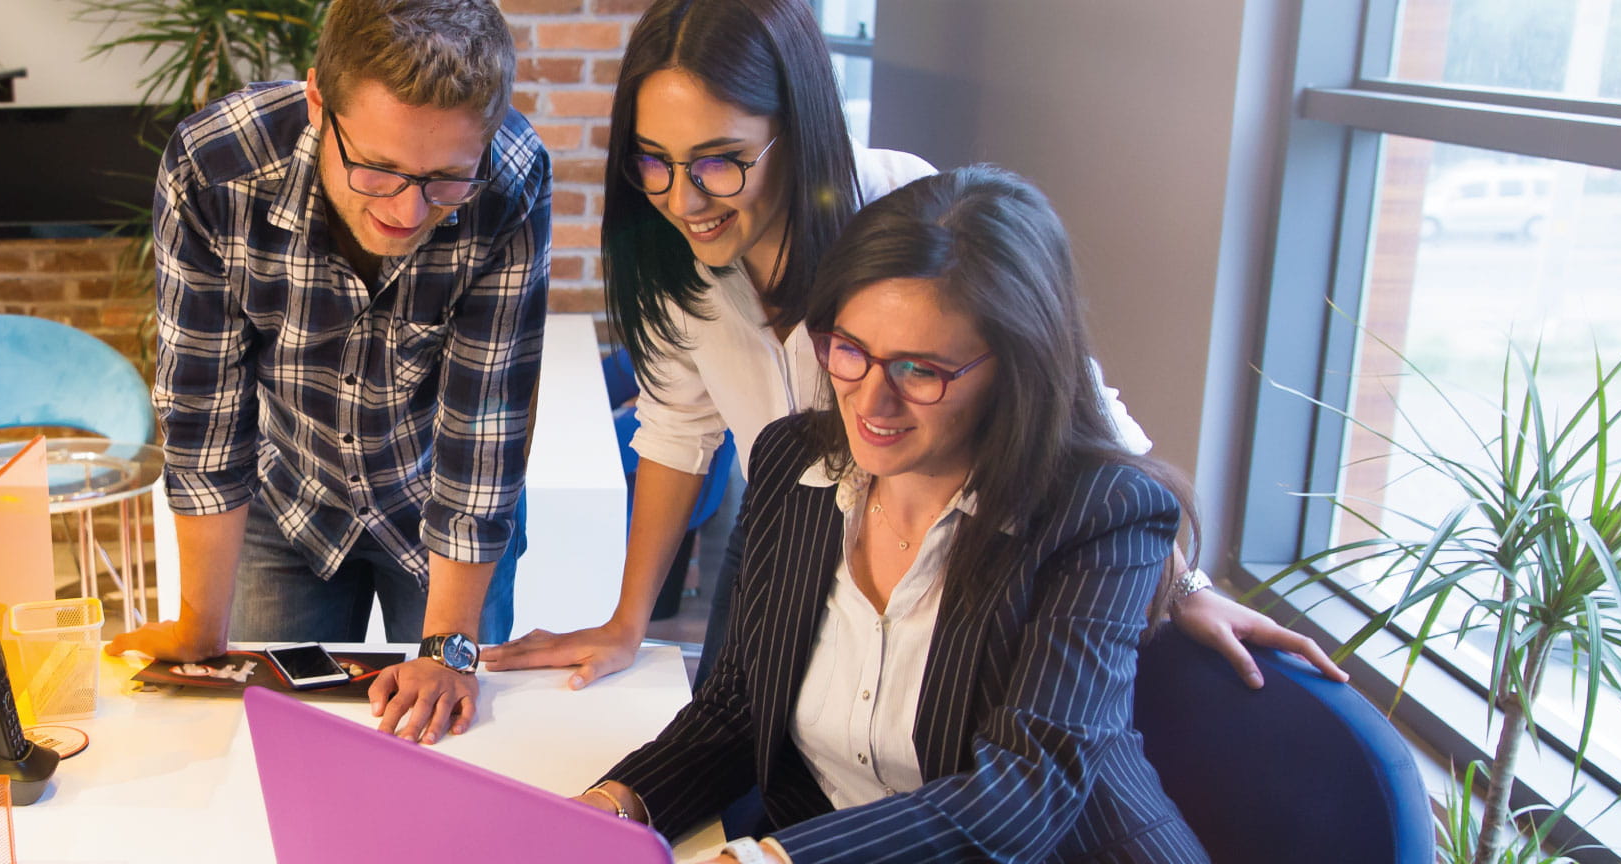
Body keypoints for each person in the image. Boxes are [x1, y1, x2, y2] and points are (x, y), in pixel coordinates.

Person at [480, 0, 1342, 690]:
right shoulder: (684, 267)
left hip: (946, 571)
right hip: (795, 550)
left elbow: (1073, 412)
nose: (683, 197)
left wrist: (1183, 583)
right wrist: (629, 622)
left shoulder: (915, 214)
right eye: (653, 161)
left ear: (799, 129)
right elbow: (677, 434)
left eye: (719, 161)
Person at [579, 165, 1270, 864]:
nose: (872, 400)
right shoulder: (797, 464)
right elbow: (736, 710)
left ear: (1015, 369)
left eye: (921, 371)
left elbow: (1023, 788)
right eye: (850, 350)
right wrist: (613, 809)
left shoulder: (1103, 516)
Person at [104, 0, 552, 745]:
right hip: (288, 505)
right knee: (270, 748)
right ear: (319, 102)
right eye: (377, 168)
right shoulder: (217, 166)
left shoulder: (510, 180)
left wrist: (446, 651)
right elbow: (206, 412)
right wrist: (198, 630)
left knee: (452, 749)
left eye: (445, 179)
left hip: (441, 510)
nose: (409, 211)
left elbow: (485, 426)